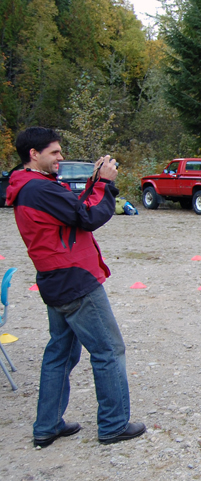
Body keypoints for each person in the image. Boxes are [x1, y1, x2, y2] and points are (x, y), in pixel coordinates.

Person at [6, 127, 146, 447]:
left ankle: (47, 424)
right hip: (75, 282)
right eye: (54, 152)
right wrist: (107, 184)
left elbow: (73, 210)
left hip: (56, 279)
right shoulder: (39, 189)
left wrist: (96, 182)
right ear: (34, 154)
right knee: (109, 350)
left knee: (60, 354)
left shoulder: (29, 186)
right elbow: (88, 216)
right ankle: (113, 425)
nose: (61, 157)